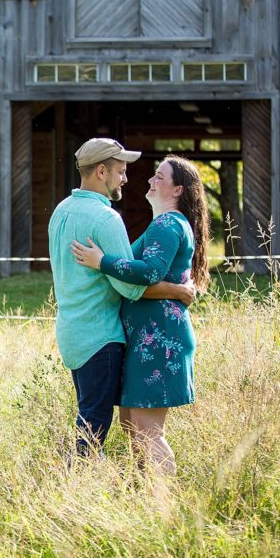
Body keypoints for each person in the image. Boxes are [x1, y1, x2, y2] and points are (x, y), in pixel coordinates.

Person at [49, 138, 195, 460]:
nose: (126, 179)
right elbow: (130, 288)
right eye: (120, 171)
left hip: (71, 331)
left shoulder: (61, 211)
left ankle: (87, 487)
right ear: (102, 171)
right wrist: (177, 290)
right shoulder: (107, 219)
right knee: (94, 425)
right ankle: (78, 489)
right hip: (100, 335)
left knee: (95, 420)